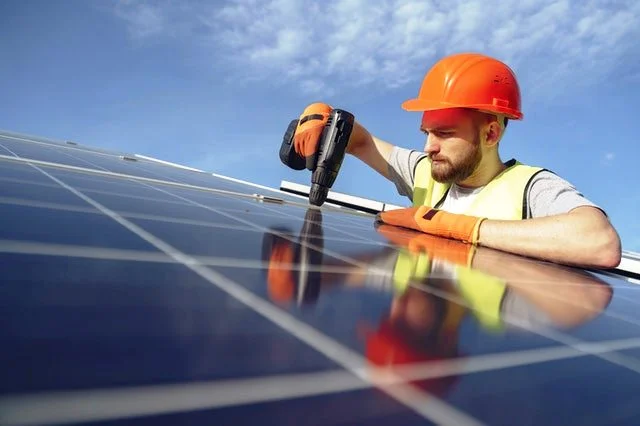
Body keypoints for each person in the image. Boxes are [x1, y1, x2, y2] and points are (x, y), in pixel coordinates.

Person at [291, 52, 621, 269]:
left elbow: (599, 241)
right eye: (426, 132)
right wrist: (326, 117)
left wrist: (456, 227)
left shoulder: (529, 187)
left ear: (491, 134)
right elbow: (359, 140)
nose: (429, 147)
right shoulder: (428, 172)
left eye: (445, 134)